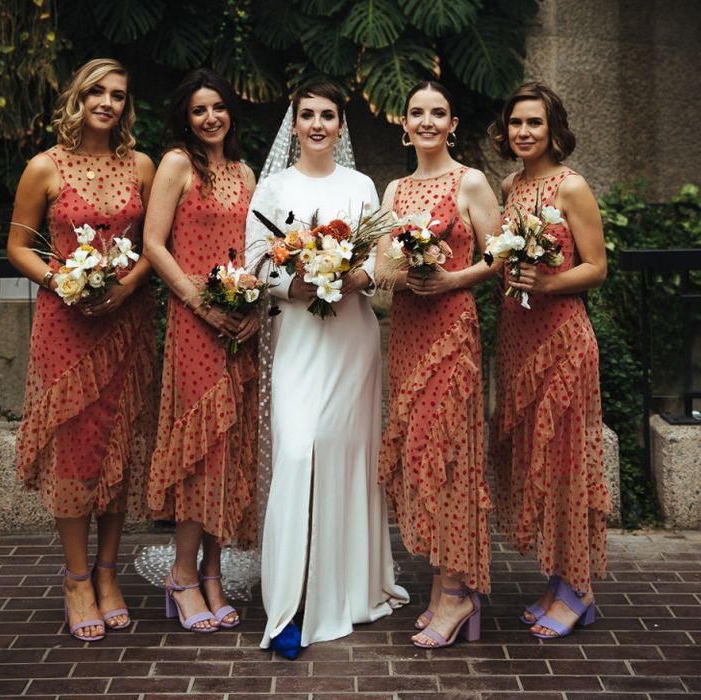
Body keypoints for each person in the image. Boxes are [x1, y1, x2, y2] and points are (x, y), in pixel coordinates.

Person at [245, 80, 408, 656]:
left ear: (341, 126)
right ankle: (287, 605)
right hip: (297, 339)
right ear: (294, 124)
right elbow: (255, 266)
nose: (317, 124)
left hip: (350, 340)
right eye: (306, 115)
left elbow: (385, 261)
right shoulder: (272, 187)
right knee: (296, 451)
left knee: (341, 456)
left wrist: (352, 277)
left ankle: (344, 586)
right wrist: (299, 280)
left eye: (327, 115)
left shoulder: (360, 185)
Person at [7, 58, 158, 641]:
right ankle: (76, 579)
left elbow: (153, 245)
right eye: (96, 91)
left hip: (125, 321)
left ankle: (108, 572)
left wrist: (123, 289)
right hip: (65, 326)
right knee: (75, 448)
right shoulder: (44, 167)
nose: (107, 103)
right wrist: (61, 281)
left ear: (126, 106)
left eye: (118, 95)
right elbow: (18, 247)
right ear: (78, 97)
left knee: (118, 445)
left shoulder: (140, 165)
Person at [376, 81, 499, 649]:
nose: (427, 121)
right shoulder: (396, 187)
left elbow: (500, 255)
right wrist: (406, 267)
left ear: (452, 124)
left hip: (451, 331)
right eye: (417, 113)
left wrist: (450, 276)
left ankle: (456, 590)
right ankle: (440, 585)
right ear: (405, 124)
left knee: (449, 453)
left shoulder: (469, 180)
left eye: (439, 113)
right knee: (419, 455)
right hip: (406, 331)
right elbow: (380, 269)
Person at [487, 82, 610, 638]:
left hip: (561, 343)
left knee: (565, 463)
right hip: (518, 339)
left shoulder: (572, 186)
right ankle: (561, 580)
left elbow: (598, 266)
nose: (524, 132)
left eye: (534, 123)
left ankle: (579, 591)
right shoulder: (511, 185)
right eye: (516, 123)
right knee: (537, 459)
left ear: (553, 128)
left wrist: (550, 280)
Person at [143, 68, 258, 633]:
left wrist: (252, 307)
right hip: (195, 325)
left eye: (218, 107)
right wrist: (199, 301)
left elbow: (256, 249)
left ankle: (214, 573)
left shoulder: (243, 171)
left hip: (240, 326)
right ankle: (182, 575)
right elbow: (153, 244)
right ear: (184, 119)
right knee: (200, 452)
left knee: (231, 449)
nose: (210, 118)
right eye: (198, 110)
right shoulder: (176, 164)